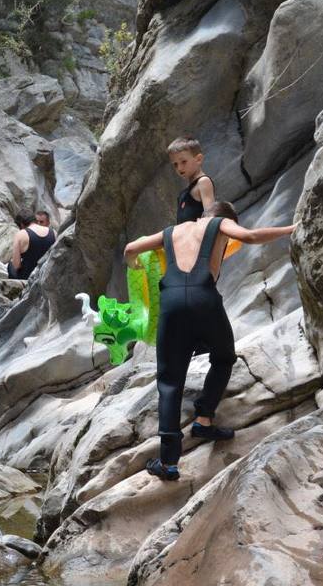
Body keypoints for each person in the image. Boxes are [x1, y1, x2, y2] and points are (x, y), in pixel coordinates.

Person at [122, 202, 294, 481]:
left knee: (170, 382)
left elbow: (130, 249)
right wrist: (291, 228)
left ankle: (168, 463)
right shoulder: (220, 224)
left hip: (172, 303)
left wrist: (135, 265)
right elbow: (250, 236)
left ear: (203, 215)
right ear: (224, 219)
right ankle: (203, 418)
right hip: (204, 299)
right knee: (224, 357)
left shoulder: (172, 231)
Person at [168, 137, 216, 224]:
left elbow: (210, 217)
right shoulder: (184, 193)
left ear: (198, 159)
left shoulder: (203, 182)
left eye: (183, 162)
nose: (179, 168)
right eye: (175, 164)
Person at [8, 209, 56, 280]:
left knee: (10, 265)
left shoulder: (20, 234)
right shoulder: (53, 232)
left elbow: (16, 265)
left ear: (21, 224)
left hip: (27, 277)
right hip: (47, 276)